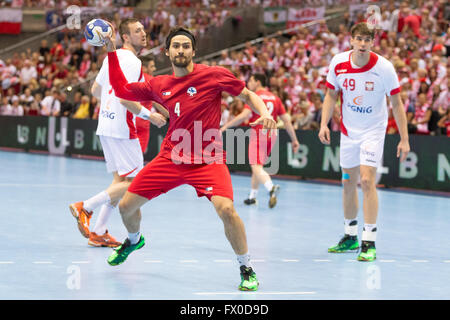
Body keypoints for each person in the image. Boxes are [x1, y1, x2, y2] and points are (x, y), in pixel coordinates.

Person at [103, 26, 277, 291]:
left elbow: (247, 94)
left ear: (193, 51)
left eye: (186, 46)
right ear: (167, 52)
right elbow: (121, 89)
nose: (181, 50)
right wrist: (111, 52)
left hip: (208, 159)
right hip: (171, 157)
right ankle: (133, 239)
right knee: (126, 207)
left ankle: (246, 267)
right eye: (176, 46)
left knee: (227, 210)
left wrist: (264, 112)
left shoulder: (214, 75)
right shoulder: (159, 84)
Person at [69, 18, 166, 248]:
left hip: (106, 125)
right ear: (124, 37)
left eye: (143, 29)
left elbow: (95, 91)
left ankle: (99, 231)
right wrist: (149, 115)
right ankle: (86, 206)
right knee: (135, 182)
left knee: (119, 182)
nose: (143, 33)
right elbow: (125, 98)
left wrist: (110, 105)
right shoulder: (132, 61)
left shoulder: (109, 59)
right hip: (123, 128)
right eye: (137, 30)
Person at [318, 23, 410, 262]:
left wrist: (404, 139)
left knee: (367, 180)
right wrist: (323, 124)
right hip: (349, 131)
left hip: (373, 131)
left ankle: (369, 240)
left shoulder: (384, 68)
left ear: (372, 43)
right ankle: (350, 235)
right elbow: (331, 95)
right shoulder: (338, 63)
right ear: (351, 40)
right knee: (347, 181)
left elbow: (397, 104)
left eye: (366, 40)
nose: (362, 43)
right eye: (358, 39)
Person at [220, 73, 300, 208]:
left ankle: (271, 188)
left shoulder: (254, 96)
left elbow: (244, 116)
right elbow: (286, 120)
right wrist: (294, 140)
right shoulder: (275, 98)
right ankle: (252, 197)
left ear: (258, 82)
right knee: (257, 166)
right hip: (272, 134)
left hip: (258, 132)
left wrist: (226, 127)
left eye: (250, 81)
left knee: (255, 166)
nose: (248, 84)